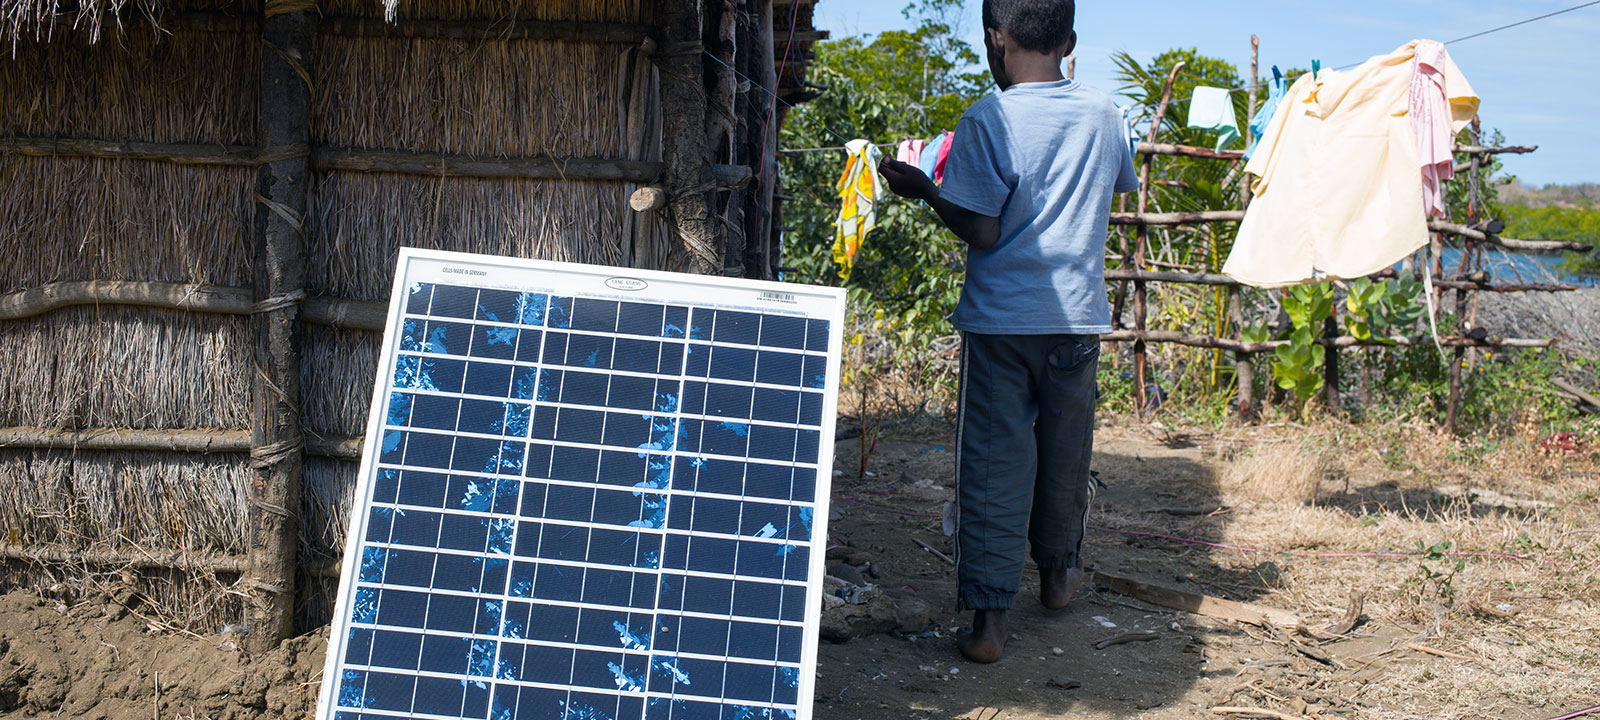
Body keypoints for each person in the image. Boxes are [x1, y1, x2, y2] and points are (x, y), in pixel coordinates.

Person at [878, 0, 1139, 663]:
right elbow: (1114, 186)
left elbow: (985, 230)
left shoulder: (987, 119)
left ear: (995, 39)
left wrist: (926, 190)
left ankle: (990, 624)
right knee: (1065, 451)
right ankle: (1058, 576)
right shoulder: (1105, 114)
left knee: (995, 463)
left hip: (1000, 324)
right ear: (1069, 40)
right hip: (1075, 318)